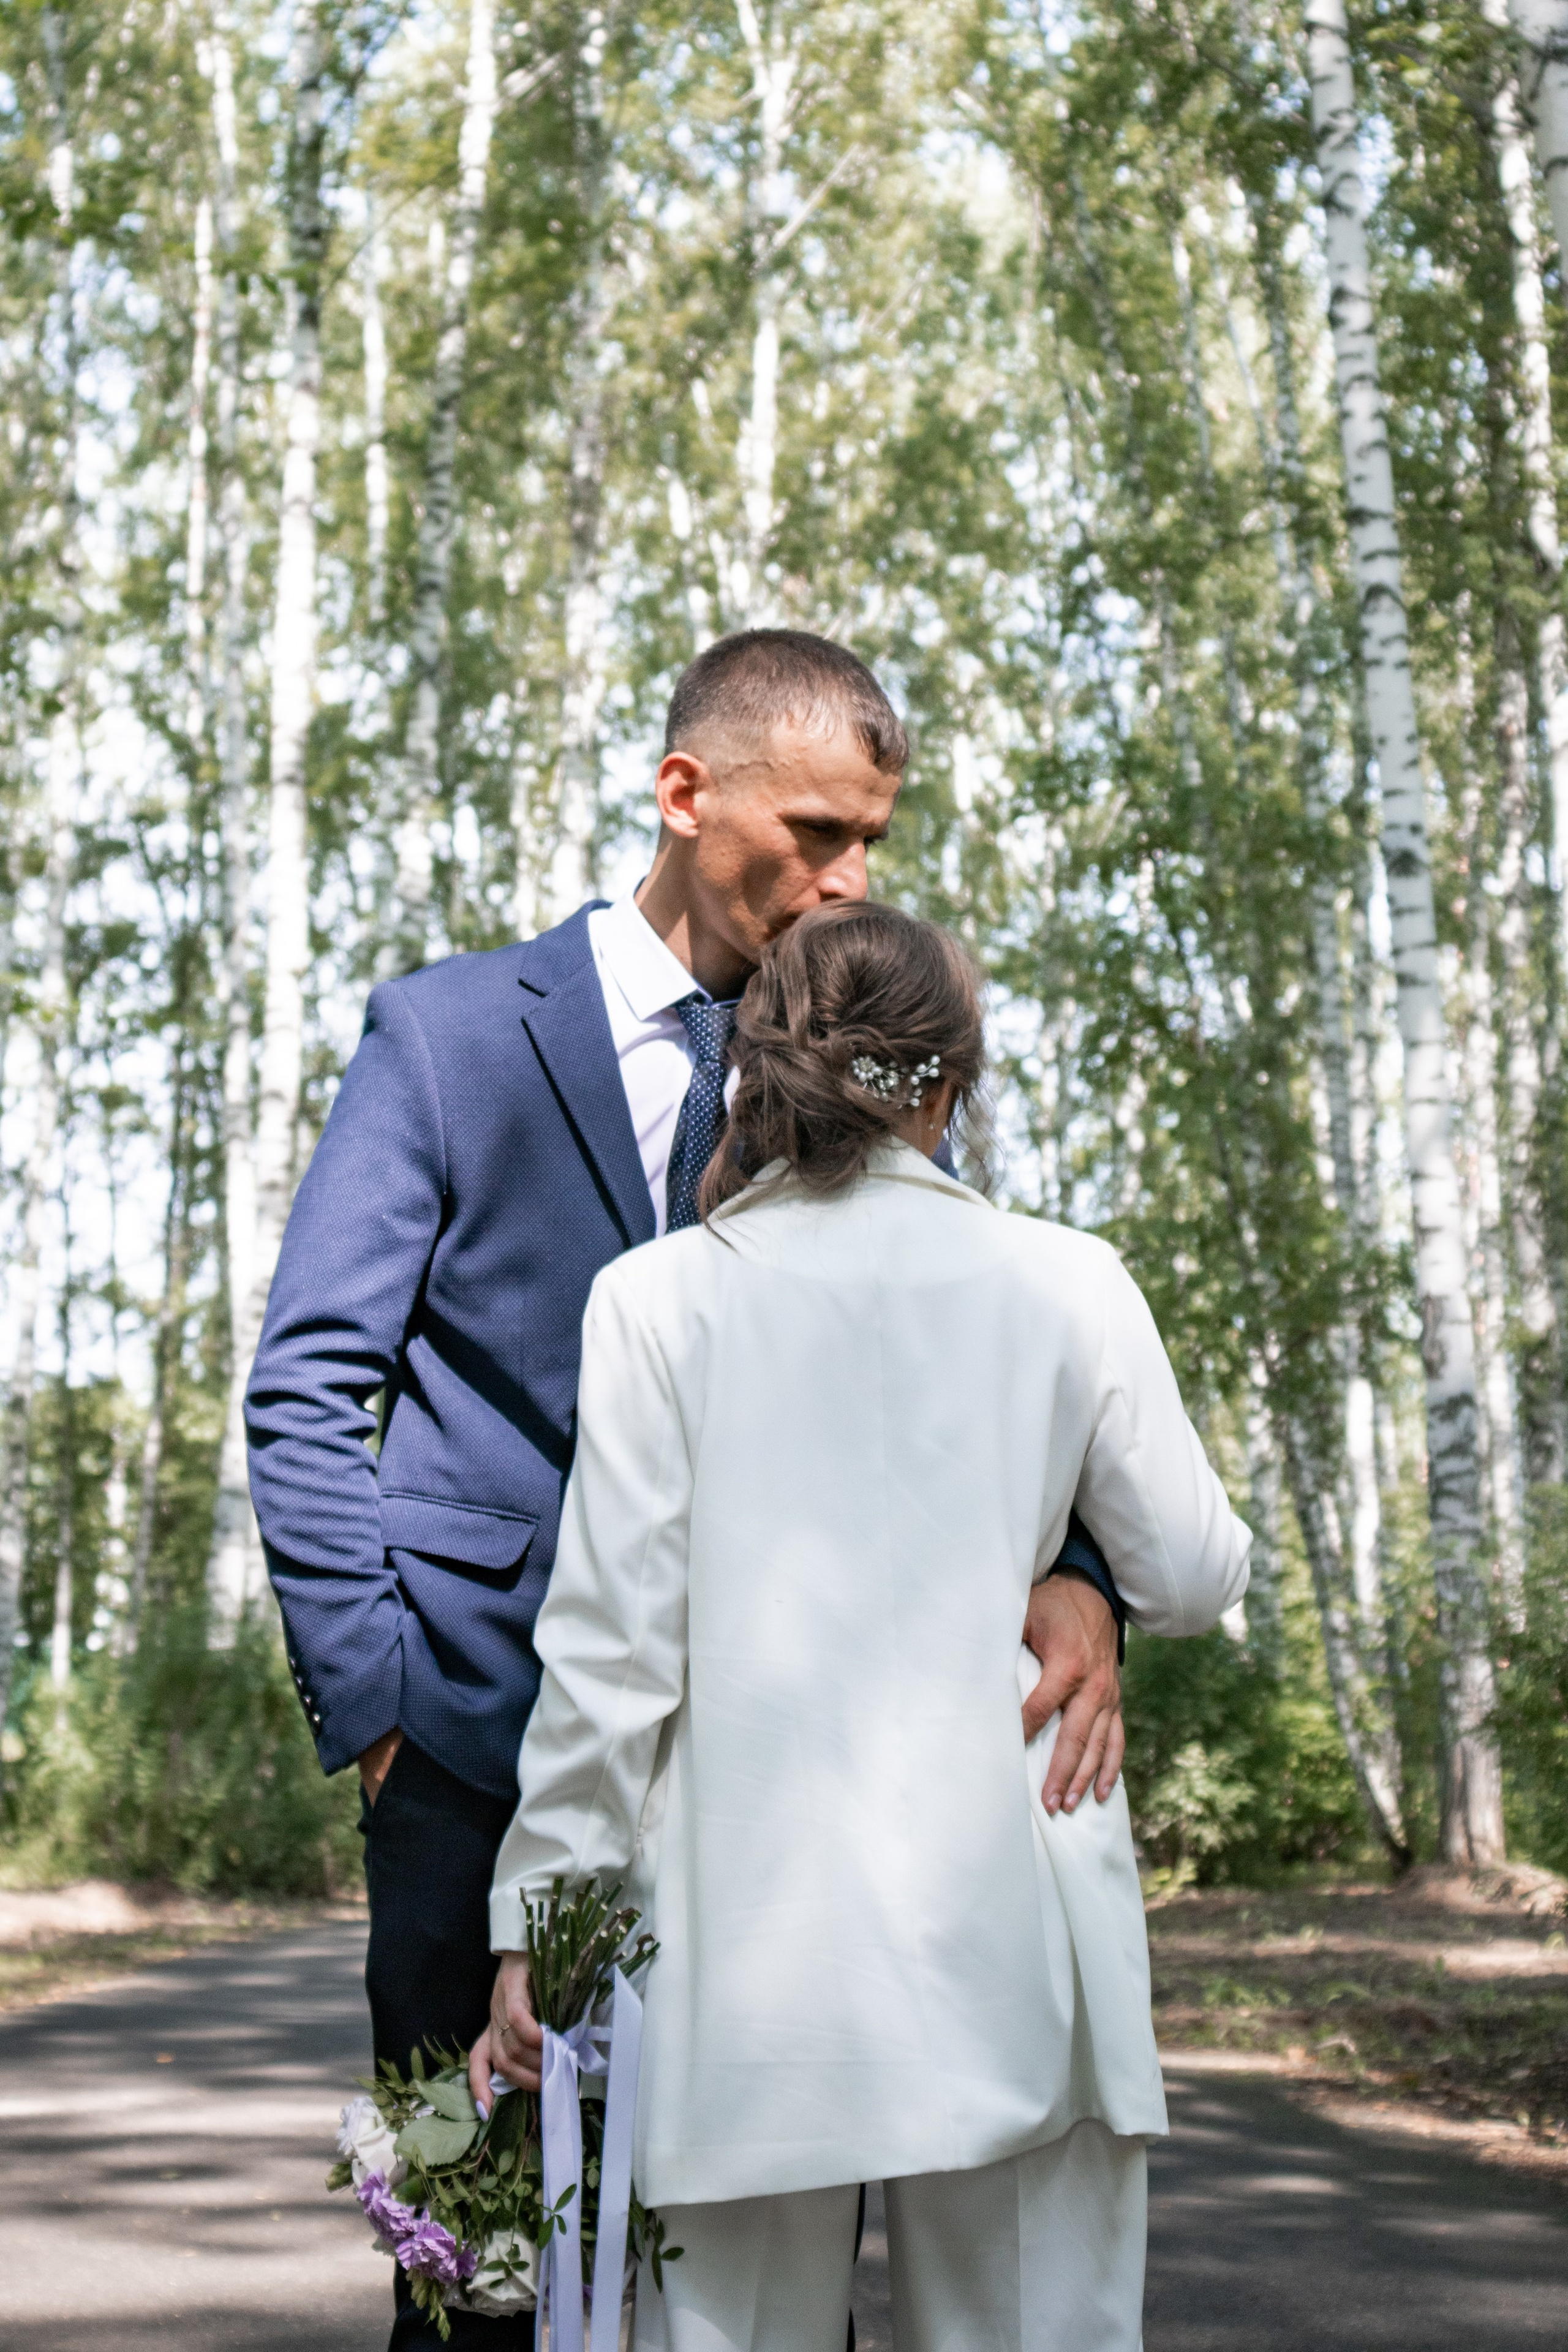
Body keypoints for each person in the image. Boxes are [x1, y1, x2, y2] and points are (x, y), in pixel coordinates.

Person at [246, 631, 1127, 2351]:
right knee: (481, 2281)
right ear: (684, 796)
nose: (850, 878)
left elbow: (986, 1337)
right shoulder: (442, 1040)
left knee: (765, 2292)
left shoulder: (879, 1073)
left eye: (872, 838)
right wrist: (386, 1720)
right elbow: (306, 1388)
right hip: (487, 1761)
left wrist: (1084, 1563)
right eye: (814, 831)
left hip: (801, 1815)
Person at [475, 900, 1251, 2352]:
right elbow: (1199, 1576)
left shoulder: (656, 1301)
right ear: (947, 1083)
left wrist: (543, 1925)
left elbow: (609, 1659)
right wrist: (1066, 1567)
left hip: (742, 1955)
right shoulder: (1066, 1280)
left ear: (753, 1073)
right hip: (1021, 1927)